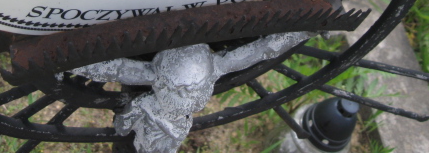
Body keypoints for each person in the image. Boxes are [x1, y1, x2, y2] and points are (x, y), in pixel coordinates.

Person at [65, 32, 314, 153]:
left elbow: (263, 50)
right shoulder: (156, 90)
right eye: (183, 91)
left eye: (194, 92)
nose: (190, 100)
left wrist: (302, 31)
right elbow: (113, 69)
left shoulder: (212, 69)